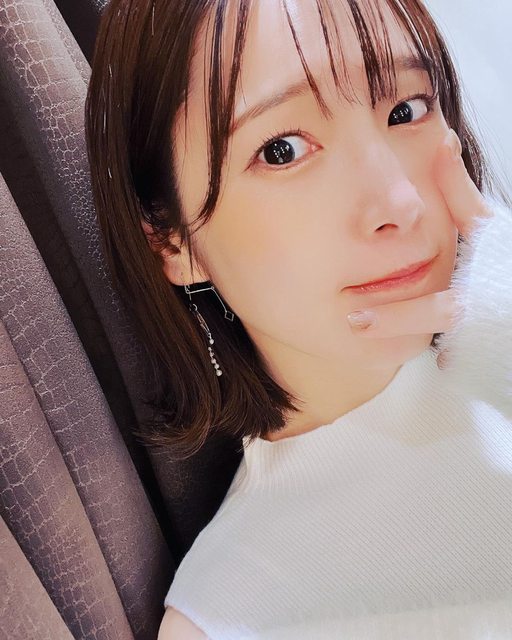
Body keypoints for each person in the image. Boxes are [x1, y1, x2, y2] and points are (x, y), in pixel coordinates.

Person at [85, 0, 512, 637]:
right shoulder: (236, 616)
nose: (398, 202)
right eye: (282, 150)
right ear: (172, 240)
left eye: (406, 110)